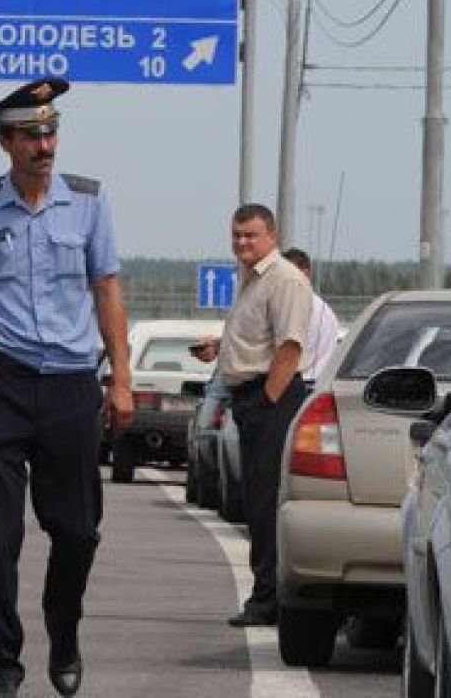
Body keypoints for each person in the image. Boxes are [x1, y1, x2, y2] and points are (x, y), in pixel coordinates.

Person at [0, 77, 133, 698]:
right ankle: (3, 669)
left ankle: (63, 634)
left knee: (77, 532)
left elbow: (108, 291)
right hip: (2, 386)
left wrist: (122, 377)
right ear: (5, 141)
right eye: (31, 135)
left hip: (70, 387)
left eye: (51, 132)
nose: (45, 144)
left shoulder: (90, 204)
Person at [191, 204, 311, 627]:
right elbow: (253, 339)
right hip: (250, 396)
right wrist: (218, 349)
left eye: (251, 235)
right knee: (255, 503)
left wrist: (266, 403)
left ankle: (268, 600)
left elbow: (289, 348)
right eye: (237, 234)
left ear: (272, 237)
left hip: (270, 399)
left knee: (265, 503)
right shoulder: (250, 277)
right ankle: (266, 595)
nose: (242, 242)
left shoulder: (285, 280)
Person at [282, 247, 341, 384]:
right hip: (319, 383)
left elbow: (287, 354)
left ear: (305, 274)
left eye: (286, 274)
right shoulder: (324, 309)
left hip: (299, 385)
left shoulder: (299, 307)